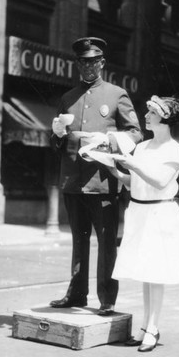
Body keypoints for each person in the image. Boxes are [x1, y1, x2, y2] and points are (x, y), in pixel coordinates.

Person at [50, 37, 142, 316]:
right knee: (79, 241)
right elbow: (60, 141)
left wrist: (109, 141)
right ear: (77, 64)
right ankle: (77, 294)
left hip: (103, 181)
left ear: (102, 63)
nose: (88, 67)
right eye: (83, 62)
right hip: (74, 181)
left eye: (93, 61)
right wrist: (56, 135)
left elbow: (136, 133)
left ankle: (107, 298)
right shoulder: (68, 98)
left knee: (105, 243)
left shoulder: (116, 94)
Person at [108, 95, 179, 352]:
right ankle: (146, 327)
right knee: (146, 273)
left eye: (151, 112)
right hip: (140, 212)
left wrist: (132, 163)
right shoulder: (142, 147)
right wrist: (113, 169)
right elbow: (136, 182)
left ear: (164, 118)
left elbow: (159, 181)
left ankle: (153, 328)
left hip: (160, 215)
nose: (145, 116)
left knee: (156, 274)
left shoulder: (173, 149)